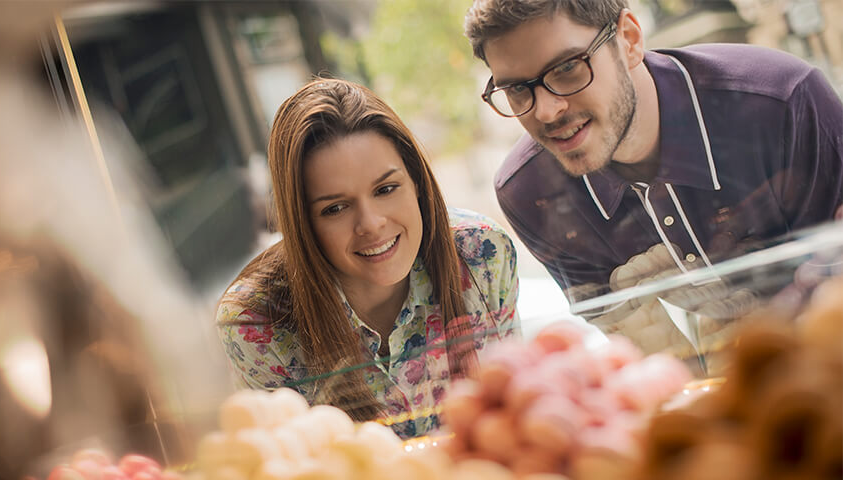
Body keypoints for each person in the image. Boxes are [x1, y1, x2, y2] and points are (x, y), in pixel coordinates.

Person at [463, 0, 843, 304]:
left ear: (628, 39)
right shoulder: (529, 193)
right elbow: (637, 351)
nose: (546, 111)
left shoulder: (781, 103)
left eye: (567, 68)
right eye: (516, 89)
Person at [215, 78, 519, 438]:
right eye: (335, 208)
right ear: (302, 223)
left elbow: (513, 416)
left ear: (417, 182)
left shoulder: (482, 255)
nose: (371, 224)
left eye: (386, 189)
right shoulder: (254, 324)